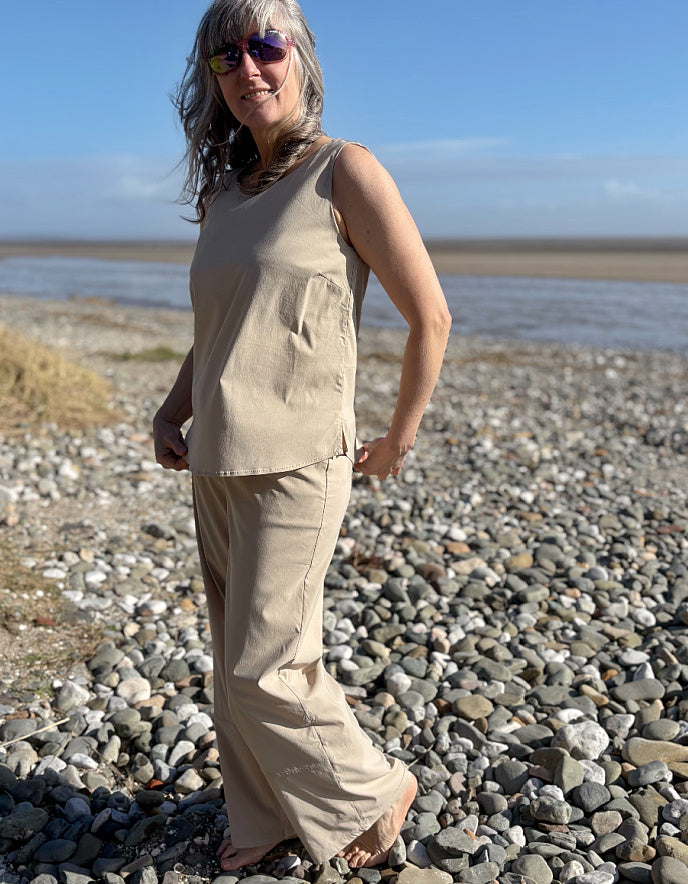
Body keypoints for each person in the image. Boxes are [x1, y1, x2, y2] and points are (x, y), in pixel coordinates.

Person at [153, 0, 451, 872]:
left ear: (300, 58)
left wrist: (399, 435)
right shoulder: (224, 197)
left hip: (299, 462)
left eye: (266, 45)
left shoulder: (345, 172)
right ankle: (264, 820)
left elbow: (430, 315)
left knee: (266, 667)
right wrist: (174, 409)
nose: (249, 67)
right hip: (216, 457)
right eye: (227, 56)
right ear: (214, 80)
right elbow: (218, 329)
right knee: (228, 665)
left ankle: (368, 789)